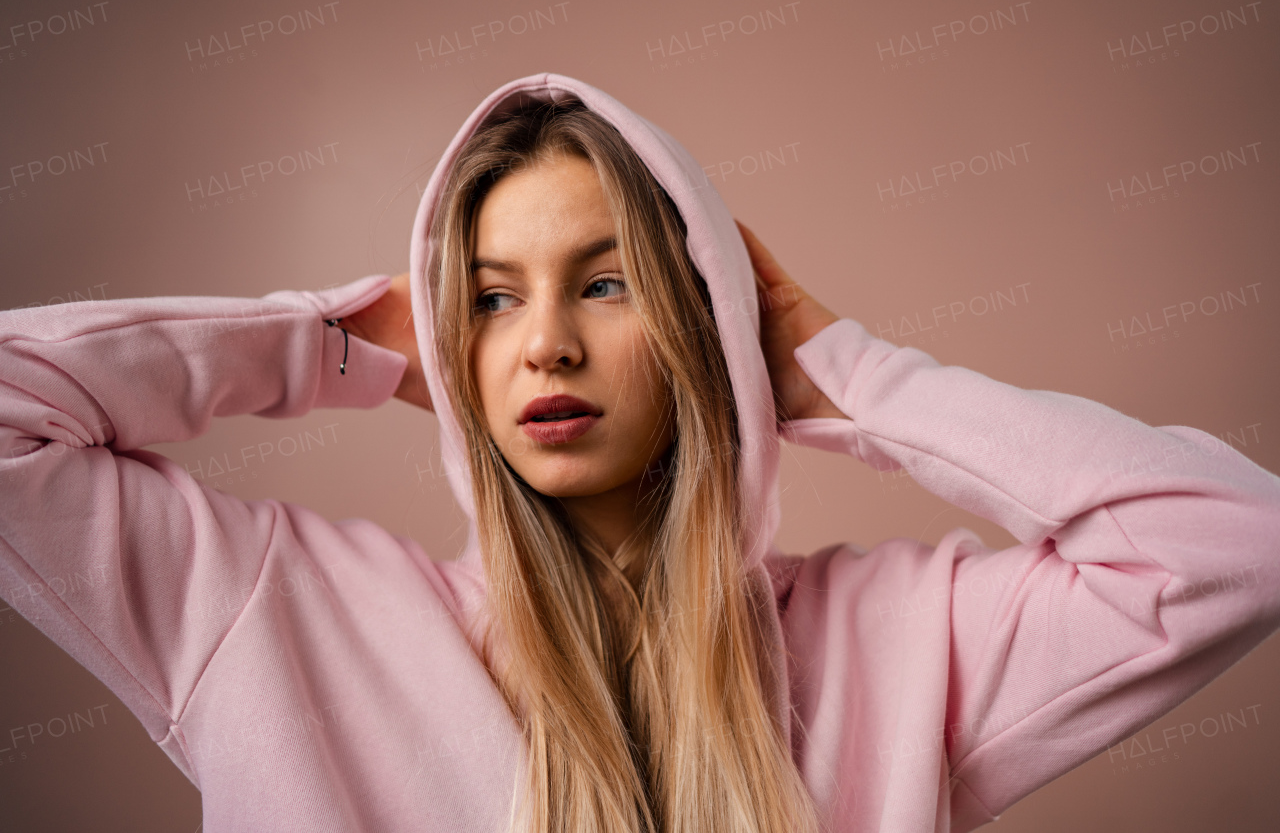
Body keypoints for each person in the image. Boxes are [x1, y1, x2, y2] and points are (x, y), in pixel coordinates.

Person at [0, 72, 1276, 833]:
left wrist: (835, 365)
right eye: (492, 299)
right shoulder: (270, 607)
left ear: (699, 321)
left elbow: (1229, 543)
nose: (542, 344)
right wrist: (323, 345)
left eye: (605, 285)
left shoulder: (892, 642)